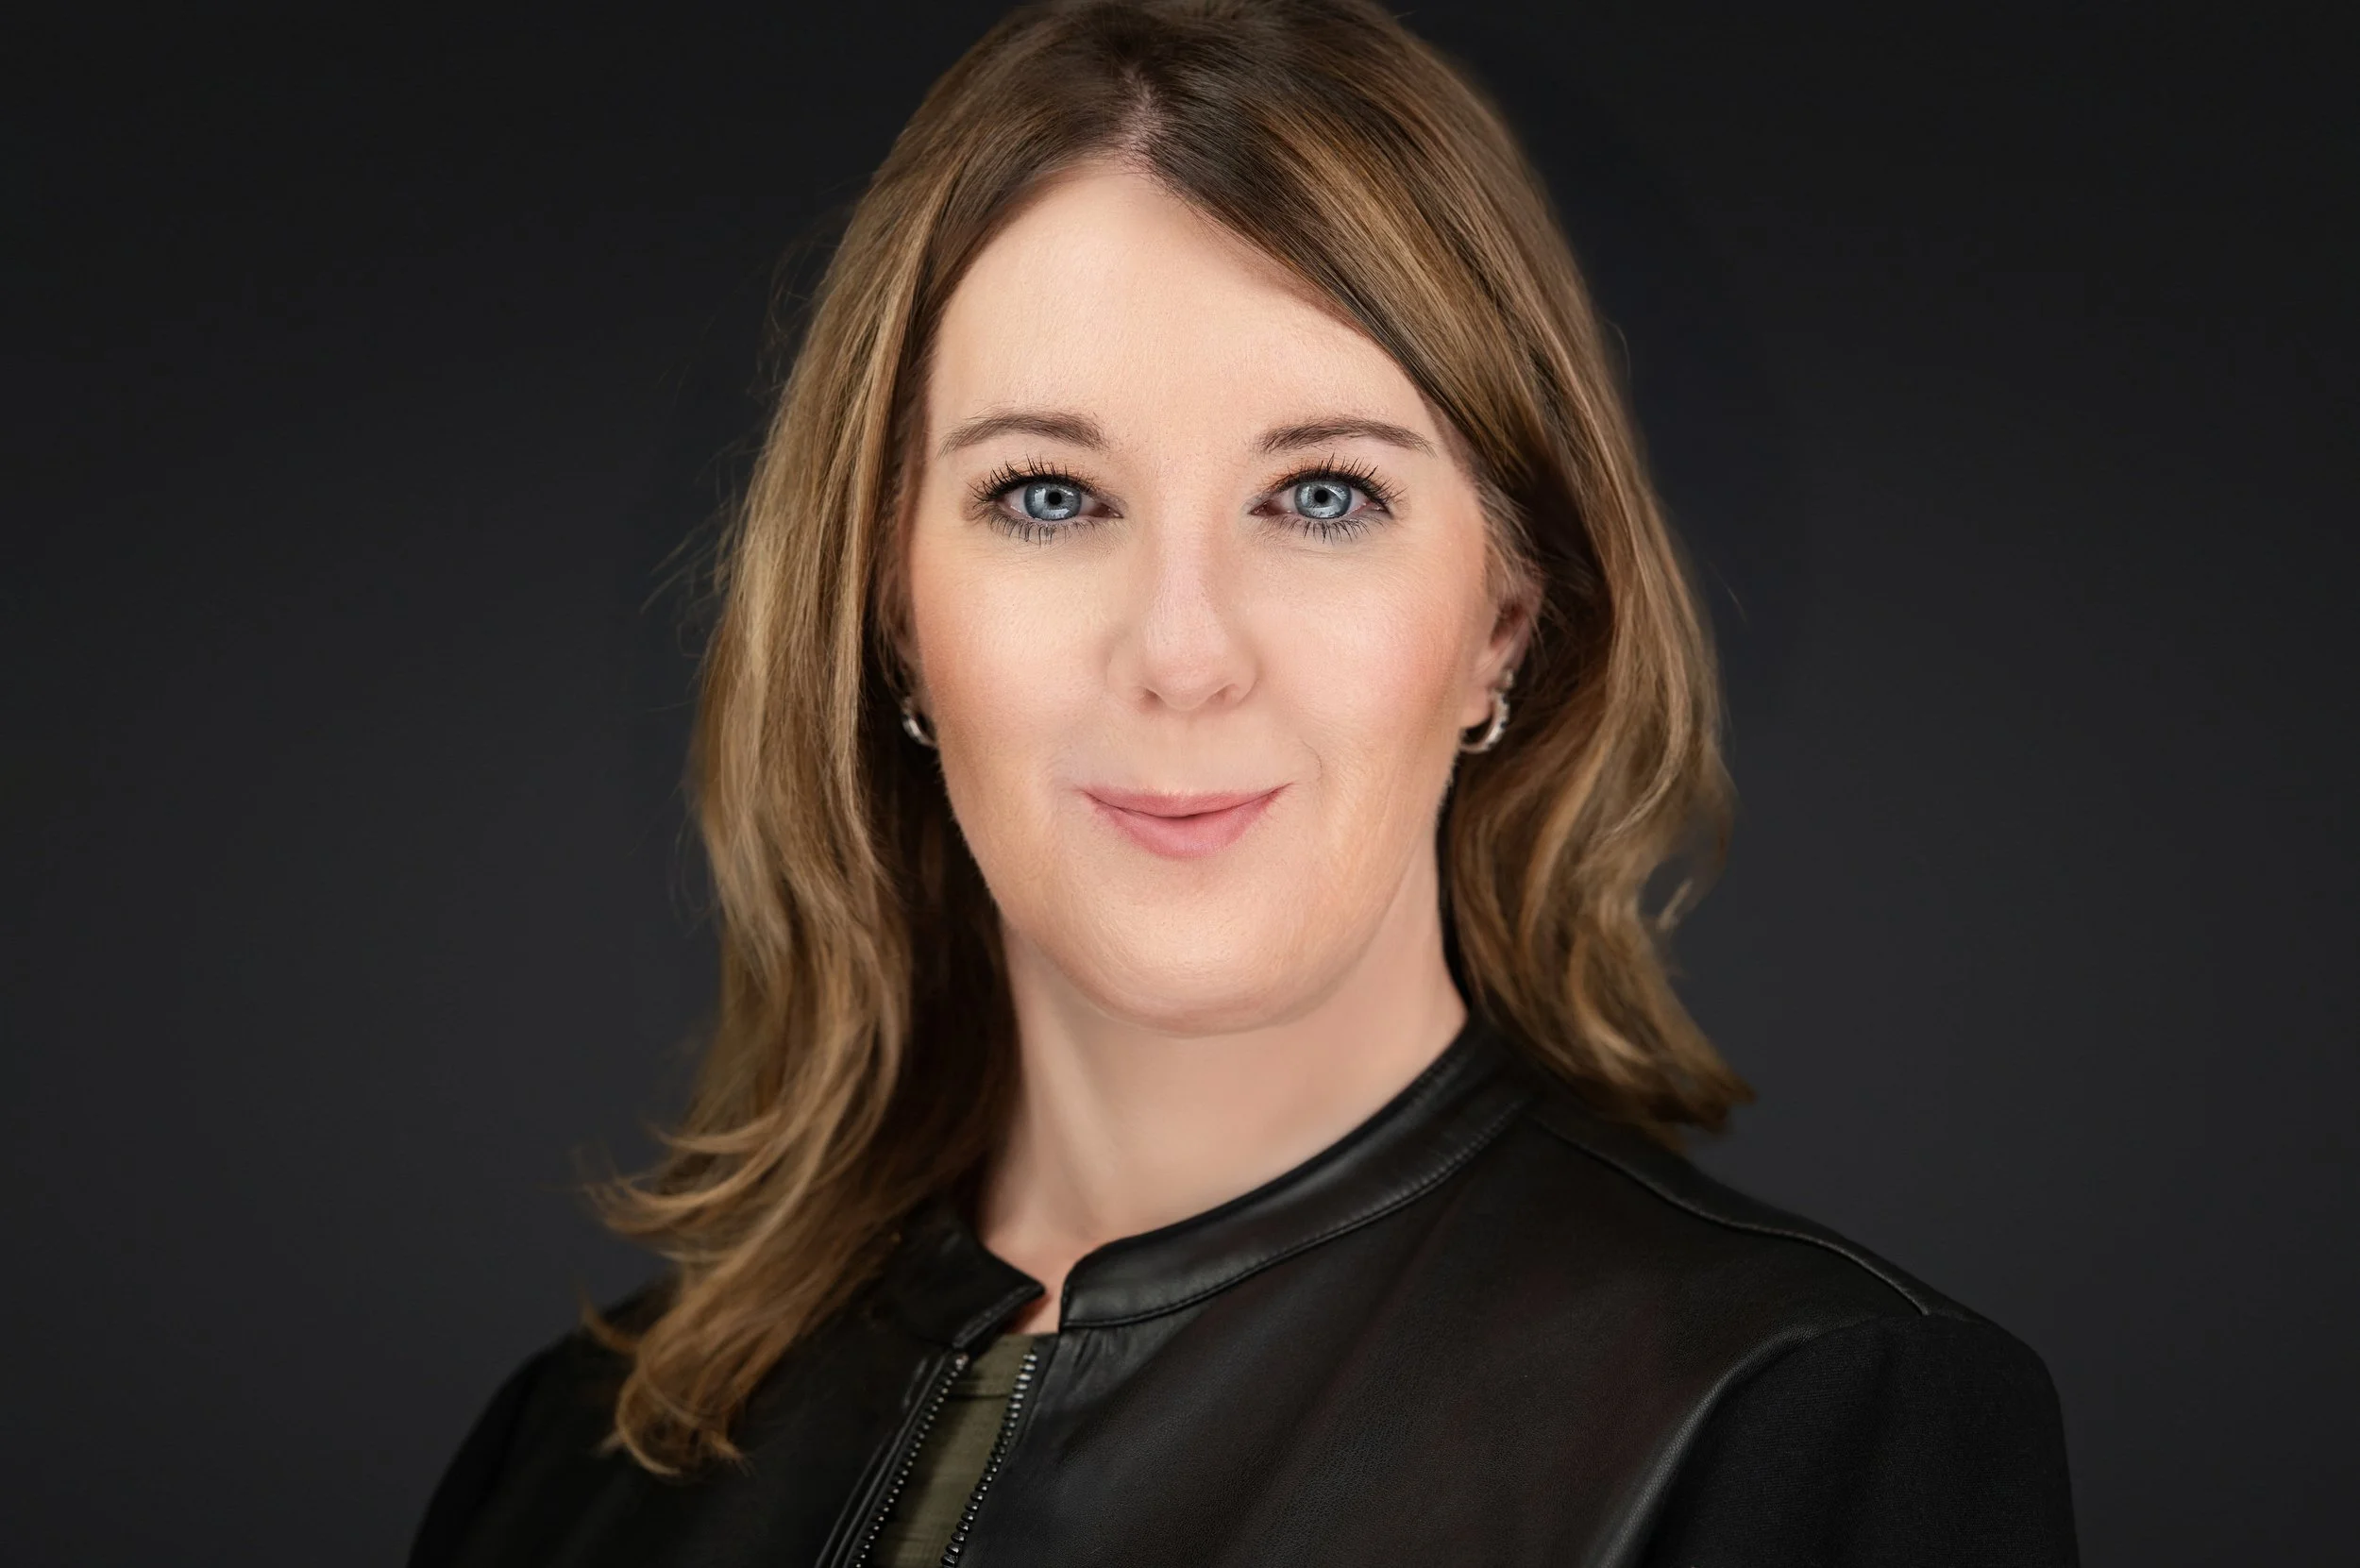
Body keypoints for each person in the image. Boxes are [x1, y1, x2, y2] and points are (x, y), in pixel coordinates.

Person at [410, 1, 2079, 1563]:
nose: (1185, 653)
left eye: (1327, 498)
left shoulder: (1792, 1421)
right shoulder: (577, 1457)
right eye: (1051, 498)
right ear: (893, 617)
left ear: (1504, 620)